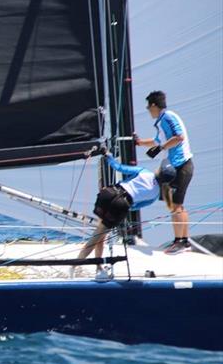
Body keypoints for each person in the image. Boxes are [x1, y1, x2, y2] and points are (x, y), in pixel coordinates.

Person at [78, 150, 176, 264]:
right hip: (121, 205)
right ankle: (78, 265)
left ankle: (94, 265)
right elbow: (134, 207)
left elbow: (118, 167)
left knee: (99, 235)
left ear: (159, 171)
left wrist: (109, 156)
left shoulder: (144, 172)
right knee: (98, 236)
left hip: (109, 193)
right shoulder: (155, 195)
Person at [134, 90, 194, 253]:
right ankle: (183, 241)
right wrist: (139, 143)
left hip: (181, 166)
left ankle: (180, 242)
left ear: (154, 105)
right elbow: (156, 141)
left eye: (148, 107)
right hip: (178, 166)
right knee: (176, 205)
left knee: (176, 205)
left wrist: (161, 147)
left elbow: (178, 137)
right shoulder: (163, 120)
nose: (148, 110)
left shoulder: (167, 117)